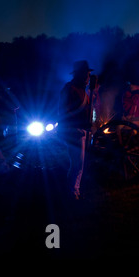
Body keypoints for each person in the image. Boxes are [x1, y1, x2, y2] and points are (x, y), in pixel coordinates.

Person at [58, 60, 93, 200]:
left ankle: (74, 189)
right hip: (72, 130)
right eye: (86, 75)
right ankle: (73, 191)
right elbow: (64, 111)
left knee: (79, 163)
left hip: (80, 129)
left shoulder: (84, 91)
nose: (88, 78)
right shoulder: (69, 89)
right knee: (77, 163)